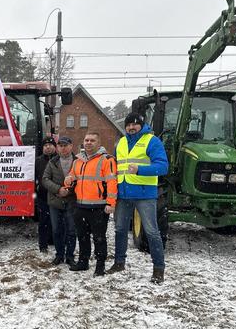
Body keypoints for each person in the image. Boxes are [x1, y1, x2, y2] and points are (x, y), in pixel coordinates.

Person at [108, 112, 169, 283]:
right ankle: (119, 263)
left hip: (144, 194)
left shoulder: (152, 141)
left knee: (151, 232)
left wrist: (141, 170)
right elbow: (115, 165)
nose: (131, 127)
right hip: (123, 193)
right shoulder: (120, 143)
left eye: (135, 124)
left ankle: (158, 269)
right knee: (120, 229)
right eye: (128, 125)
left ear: (142, 125)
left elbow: (163, 167)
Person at [65, 132, 117, 276]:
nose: (88, 142)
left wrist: (111, 203)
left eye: (92, 140)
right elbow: (71, 176)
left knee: (99, 238)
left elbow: (112, 183)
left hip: (99, 207)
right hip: (80, 206)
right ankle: (83, 262)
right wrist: (68, 179)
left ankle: (100, 266)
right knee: (82, 236)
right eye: (86, 140)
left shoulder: (107, 160)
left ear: (99, 143)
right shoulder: (78, 160)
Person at [42, 136, 77, 265]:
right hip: (55, 201)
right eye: (60, 145)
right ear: (58, 147)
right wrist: (58, 189)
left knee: (71, 230)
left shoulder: (78, 161)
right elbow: (45, 179)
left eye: (65, 145)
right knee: (56, 230)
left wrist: (69, 190)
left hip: (72, 201)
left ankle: (70, 256)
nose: (63, 148)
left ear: (71, 146)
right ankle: (59, 255)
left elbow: (82, 180)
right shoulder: (52, 162)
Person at [35, 137, 57, 253]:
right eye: (45, 145)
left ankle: (54, 240)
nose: (48, 147)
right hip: (42, 196)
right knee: (43, 221)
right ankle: (43, 245)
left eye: (50, 144)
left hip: (57, 196)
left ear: (55, 146)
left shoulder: (59, 159)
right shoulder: (38, 161)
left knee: (57, 221)